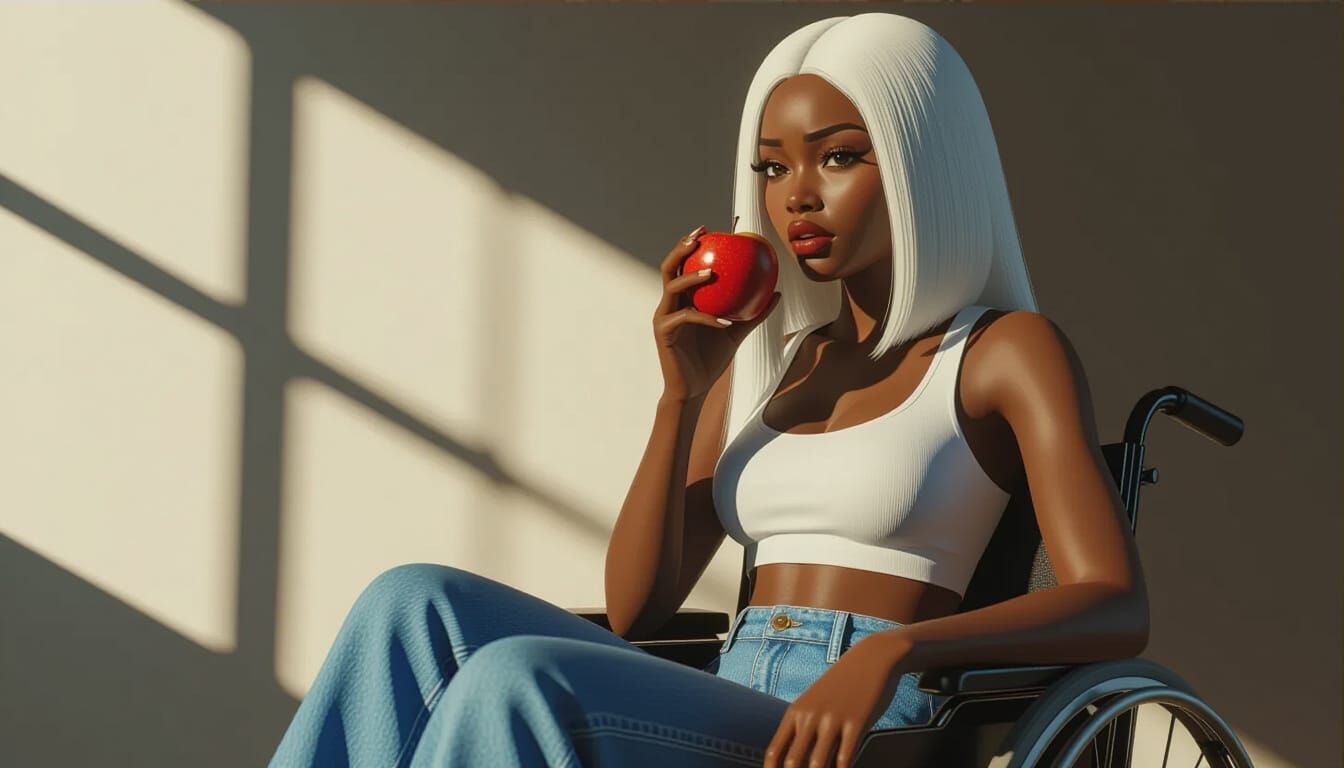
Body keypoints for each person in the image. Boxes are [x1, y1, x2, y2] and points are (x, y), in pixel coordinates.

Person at [268, 13, 1148, 768]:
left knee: (513, 682)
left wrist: (897, 653)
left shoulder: (1001, 350)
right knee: (409, 601)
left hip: (860, 720)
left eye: (838, 157)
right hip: (730, 686)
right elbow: (636, 608)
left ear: (926, 164)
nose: (798, 197)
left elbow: (1115, 601)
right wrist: (682, 396)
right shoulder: (776, 357)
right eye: (772, 169)